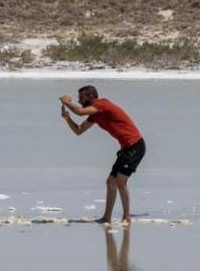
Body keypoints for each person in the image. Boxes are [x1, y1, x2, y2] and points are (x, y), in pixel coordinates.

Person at [60, 86, 145, 224]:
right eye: (78, 98)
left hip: (135, 146)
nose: (79, 100)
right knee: (111, 182)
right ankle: (107, 217)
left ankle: (126, 217)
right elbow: (79, 131)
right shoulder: (95, 115)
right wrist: (67, 118)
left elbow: (80, 112)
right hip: (126, 148)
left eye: (81, 97)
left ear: (91, 96)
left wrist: (67, 102)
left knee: (120, 181)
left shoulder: (102, 104)